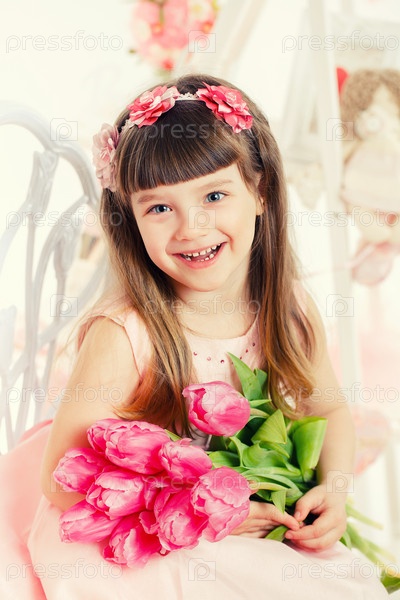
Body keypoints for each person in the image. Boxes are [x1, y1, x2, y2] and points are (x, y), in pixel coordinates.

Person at [2, 74, 388, 599]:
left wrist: (333, 491)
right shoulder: (128, 334)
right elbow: (60, 481)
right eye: (159, 208)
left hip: (235, 518)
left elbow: (331, 409)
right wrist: (205, 513)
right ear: (131, 219)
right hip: (138, 527)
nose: (191, 227)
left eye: (214, 194)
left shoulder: (288, 307)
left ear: (260, 192)